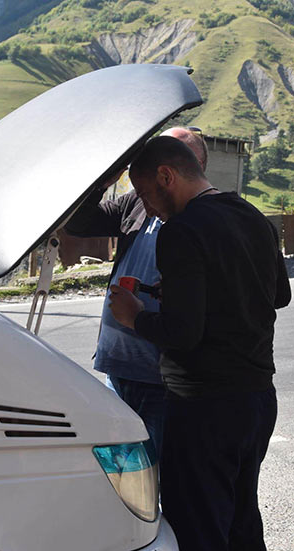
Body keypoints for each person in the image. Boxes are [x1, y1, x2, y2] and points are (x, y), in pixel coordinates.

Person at [108, 135, 291, 551]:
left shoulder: (182, 230)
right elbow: (280, 295)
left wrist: (135, 316)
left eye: (147, 194)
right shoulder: (254, 218)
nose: (148, 208)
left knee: (199, 534)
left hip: (203, 404)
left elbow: (183, 335)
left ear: (167, 176)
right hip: (256, 400)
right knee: (241, 522)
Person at [64, 127, 207, 457]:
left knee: (155, 474)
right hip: (116, 365)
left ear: (191, 164)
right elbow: (79, 224)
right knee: (117, 470)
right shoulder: (139, 203)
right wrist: (107, 178)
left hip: (162, 378)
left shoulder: (202, 217)